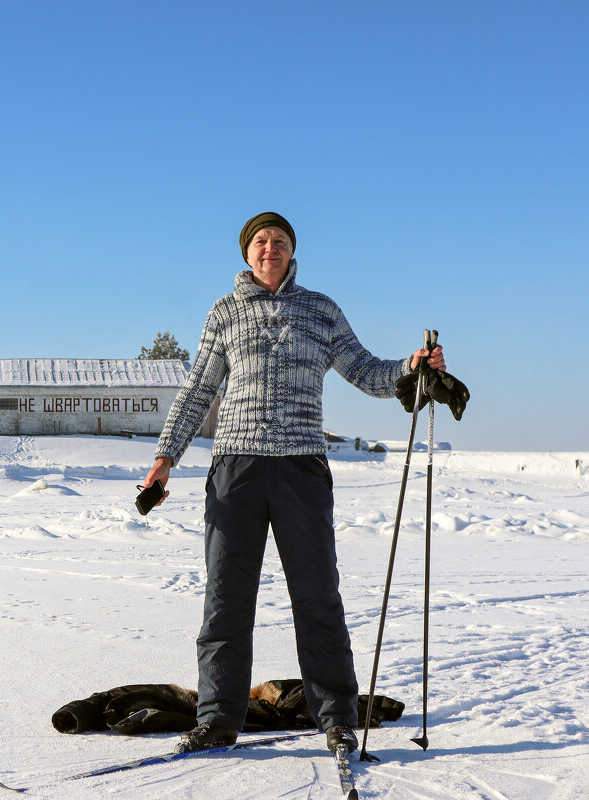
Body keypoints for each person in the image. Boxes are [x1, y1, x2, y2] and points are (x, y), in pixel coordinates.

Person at [142, 211, 446, 755]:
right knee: (225, 600)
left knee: (317, 598)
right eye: (260, 241)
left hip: (302, 470)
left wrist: (412, 365)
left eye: (279, 241)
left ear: (291, 252)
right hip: (235, 470)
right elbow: (197, 390)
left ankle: (336, 716)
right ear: (246, 253)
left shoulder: (320, 310)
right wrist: (165, 458)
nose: (269, 248)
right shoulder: (225, 312)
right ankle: (218, 719)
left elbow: (367, 371)